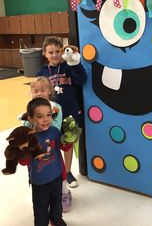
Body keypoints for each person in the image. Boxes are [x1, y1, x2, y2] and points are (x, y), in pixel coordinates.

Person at [36, 36, 87, 188]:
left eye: (57, 51)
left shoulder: (68, 66)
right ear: (45, 54)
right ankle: (56, 171)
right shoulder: (41, 72)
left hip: (70, 113)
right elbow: (37, 93)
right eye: (50, 52)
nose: (55, 55)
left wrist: (75, 65)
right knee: (52, 143)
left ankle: (68, 171)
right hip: (50, 116)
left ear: (62, 51)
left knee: (68, 143)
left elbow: (82, 80)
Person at [18, 77, 72, 212]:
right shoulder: (31, 108)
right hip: (36, 148)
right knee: (39, 172)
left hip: (51, 144)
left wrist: (41, 123)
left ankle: (64, 193)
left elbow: (56, 126)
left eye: (42, 90)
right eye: (35, 90)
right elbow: (25, 127)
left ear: (49, 91)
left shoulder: (55, 107)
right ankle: (44, 198)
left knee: (59, 172)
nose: (39, 93)